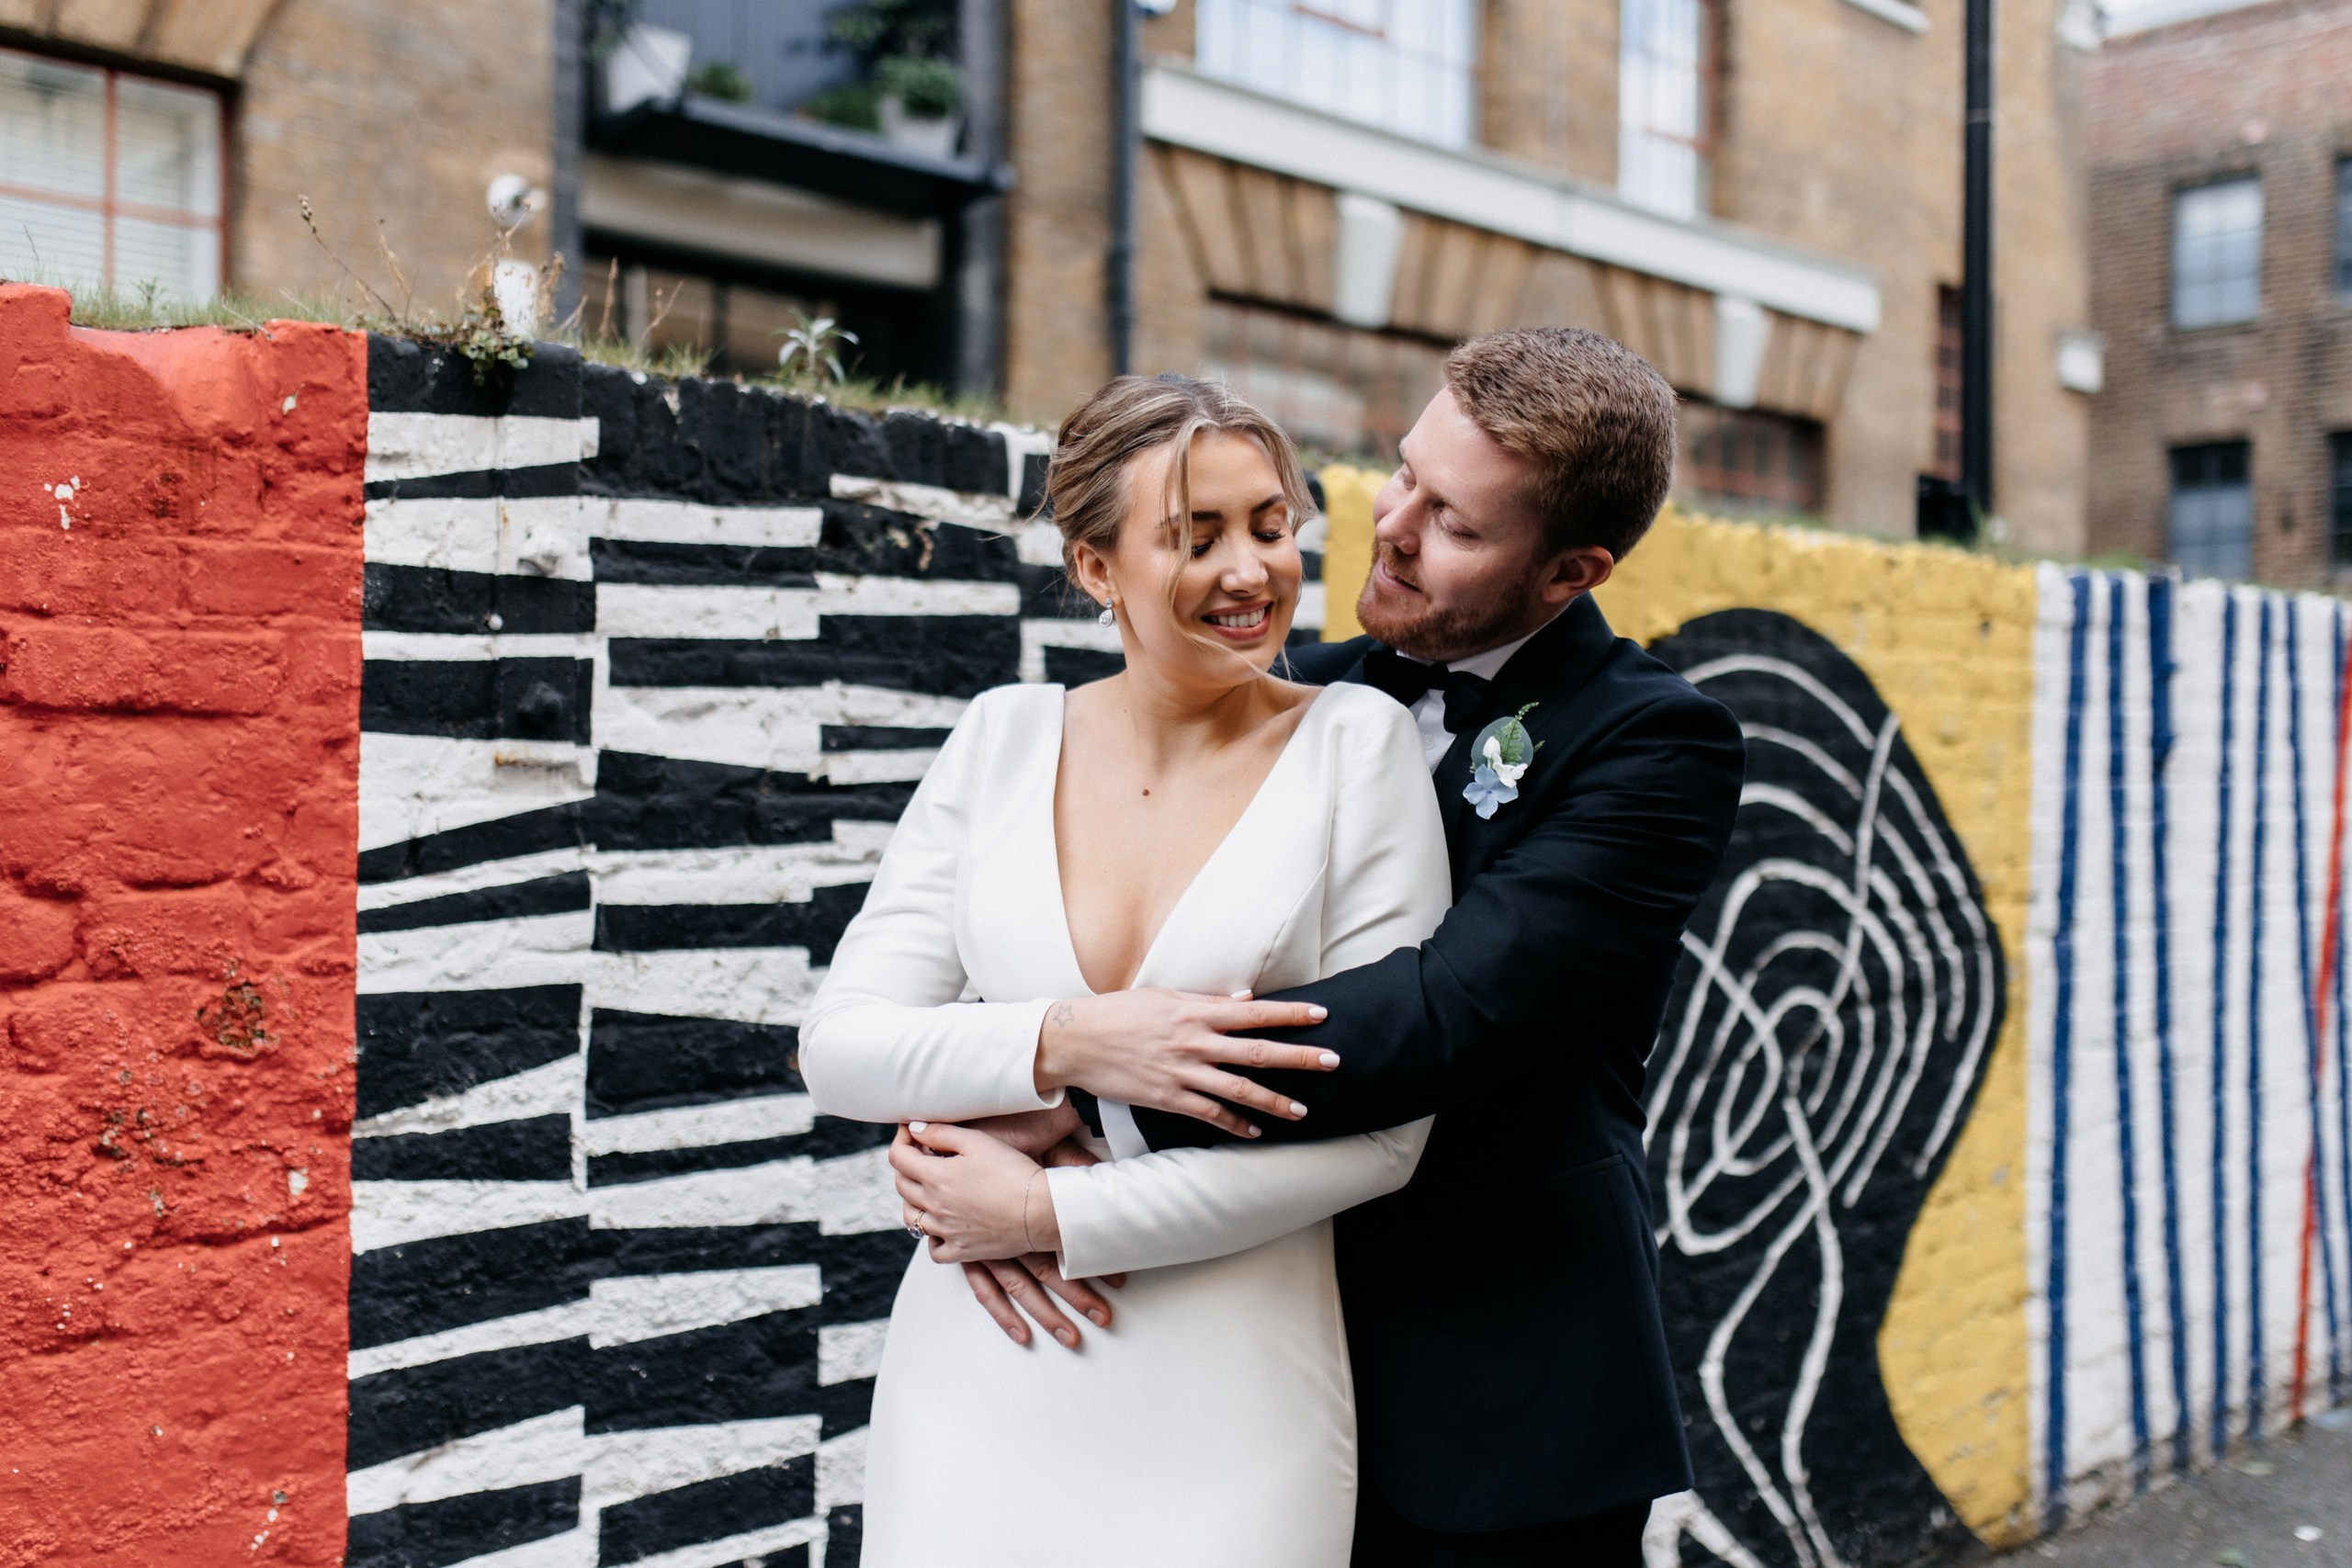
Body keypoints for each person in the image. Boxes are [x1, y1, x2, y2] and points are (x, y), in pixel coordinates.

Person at [888, 327, 1748, 1567]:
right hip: (1223, 1358)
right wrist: (961, 1107)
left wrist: (1081, 1091)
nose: (1391, 527)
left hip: (1487, 1387)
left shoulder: (1657, 744)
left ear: (1573, 571)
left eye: (1453, 522)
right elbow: (1055, 937)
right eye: (1401, 474)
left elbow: (1448, 1011)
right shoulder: (1285, 685)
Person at [797, 374, 1454, 1566]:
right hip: (976, 1376)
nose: (1252, 572)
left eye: (1270, 526)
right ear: (1097, 567)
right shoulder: (1000, 739)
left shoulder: (1356, 747)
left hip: (1234, 1393)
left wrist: (1050, 1207)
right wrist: (1067, 1044)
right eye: (1195, 539)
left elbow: (1383, 1133)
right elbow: (841, 1045)